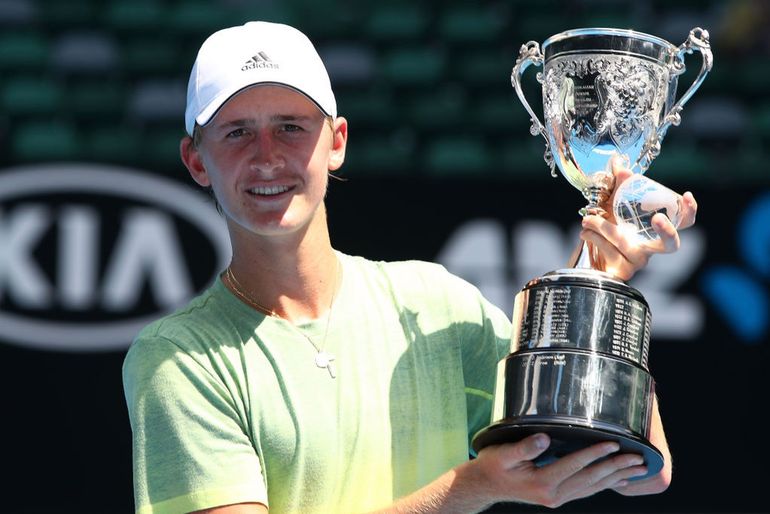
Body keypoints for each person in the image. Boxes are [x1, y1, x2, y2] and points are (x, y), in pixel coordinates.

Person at [122, 21, 698, 514]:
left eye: (292, 126)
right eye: (237, 132)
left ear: (337, 141)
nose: (267, 155)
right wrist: (466, 490)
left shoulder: (433, 301)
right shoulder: (176, 356)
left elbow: (642, 468)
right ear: (196, 160)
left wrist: (599, 281)